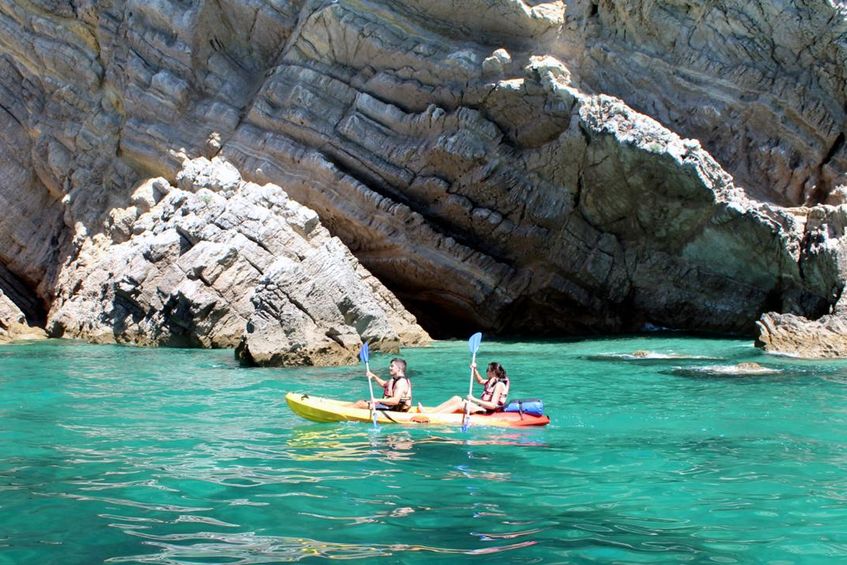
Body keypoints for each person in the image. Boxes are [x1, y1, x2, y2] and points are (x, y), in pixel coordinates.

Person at [430, 361, 509, 414]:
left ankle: (435, 417)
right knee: (456, 398)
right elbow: (480, 381)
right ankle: (431, 412)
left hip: (488, 411)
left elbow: (492, 405)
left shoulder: (499, 385)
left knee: (460, 405)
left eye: (487, 370)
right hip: (482, 407)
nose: (486, 372)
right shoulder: (492, 381)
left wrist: (473, 399)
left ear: (493, 372)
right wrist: (474, 370)